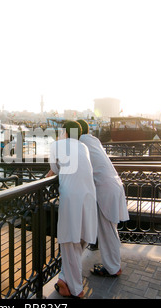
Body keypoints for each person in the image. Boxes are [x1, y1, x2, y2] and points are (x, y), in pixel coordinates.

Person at [46, 120, 97, 298]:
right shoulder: (83, 147)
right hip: (89, 196)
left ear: (65, 132)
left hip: (71, 197)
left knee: (68, 242)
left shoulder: (56, 145)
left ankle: (77, 290)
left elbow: (54, 168)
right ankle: (64, 280)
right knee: (80, 239)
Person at [77, 119, 129, 278]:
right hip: (114, 184)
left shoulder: (80, 143)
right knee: (110, 229)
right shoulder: (93, 140)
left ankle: (113, 268)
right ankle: (113, 264)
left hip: (105, 189)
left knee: (107, 231)